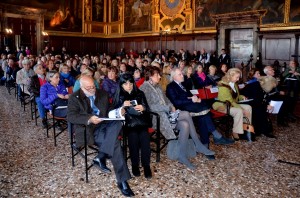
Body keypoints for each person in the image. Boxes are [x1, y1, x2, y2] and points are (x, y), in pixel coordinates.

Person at [67, 76, 134, 197]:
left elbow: (108, 110)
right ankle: (122, 181)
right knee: (115, 145)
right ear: (82, 87)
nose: (93, 88)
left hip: (105, 124)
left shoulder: (102, 93)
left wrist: (119, 111)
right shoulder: (74, 97)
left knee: (118, 122)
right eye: (89, 87)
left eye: (93, 85)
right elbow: (71, 117)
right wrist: (89, 118)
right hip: (90, 129)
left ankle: (101, 156)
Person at [140, 66, 215, 169]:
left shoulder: (157, 86)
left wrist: (171, 106)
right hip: (156, 118)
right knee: (186, 114)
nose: (160, 77)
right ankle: (197, 144)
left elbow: (166, 99)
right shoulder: (144, 88)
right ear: (150, 76)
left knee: (185, 125)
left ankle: (182, 155)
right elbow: (150, 106)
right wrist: (168, 108)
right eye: (157, 75)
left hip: (167, 115)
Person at [166, 68, 234, 148]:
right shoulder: (170, 87)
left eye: (181, 73)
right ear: (174, 77)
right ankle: (216, 137)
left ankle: (206, 144)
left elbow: (189, 95)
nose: (182, 75)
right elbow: (176, 102)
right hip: (182, 109)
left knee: (203, 116)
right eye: (180, 74)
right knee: (205, 110)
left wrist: (196, 98)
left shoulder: (182, 84)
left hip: (190, 106)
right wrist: (192, 100)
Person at [113, 73, 152, 179]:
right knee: (133, 137)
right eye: (125, 84)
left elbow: (148, 109)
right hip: (128, 124)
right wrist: (122, 106)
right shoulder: (119, 95)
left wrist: (143, 108)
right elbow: (114, 111)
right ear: (121, 85)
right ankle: (135, 165)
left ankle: (146, 165)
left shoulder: (140, 93)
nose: (128, 85)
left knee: (145, 137)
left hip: (141, 122)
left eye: (130, 83)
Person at [212, 68, 252, 140]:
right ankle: (235, 132)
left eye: (238, 77)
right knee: (239, 111)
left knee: (248, 107)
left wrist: (241, 97)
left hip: (231, 104)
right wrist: (242, 109)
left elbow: (235, 97)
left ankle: (246, 129)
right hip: (223, 106)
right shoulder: (223, 86)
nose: (238, 79)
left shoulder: (234, 84)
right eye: (236, 77)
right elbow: (230, 101)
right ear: (230, 76)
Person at [241, 68, 276, 138]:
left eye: (259, 73)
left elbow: (259, 97)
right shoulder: (254, 84)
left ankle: (263, 130)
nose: (259, 75)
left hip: (255, 102)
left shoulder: (257, 83)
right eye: (257, 73)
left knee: (261, 108)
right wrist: (265, 105)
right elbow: (256, 97)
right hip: (251, 103)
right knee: (261, 109)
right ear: (252, 75)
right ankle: (263, 130)